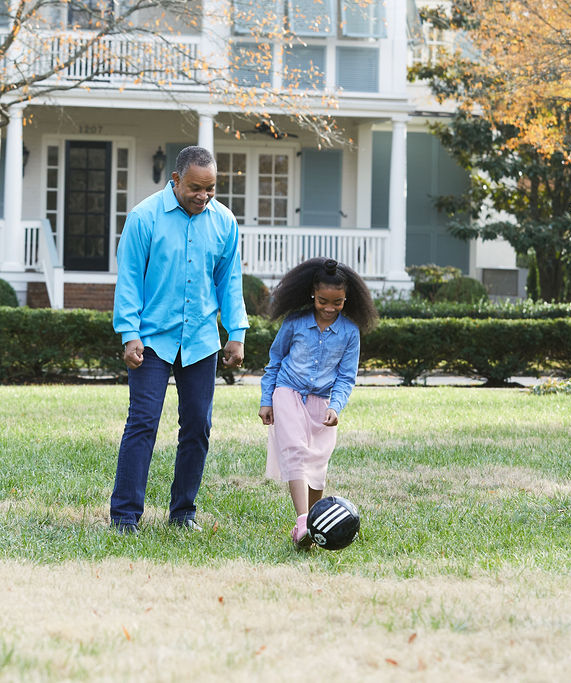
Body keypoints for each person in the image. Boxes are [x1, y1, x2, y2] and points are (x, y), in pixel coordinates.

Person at [110, 145, 249, 534]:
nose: (203, 196)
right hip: (152, 339)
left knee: (198, 427)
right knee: (143, 423)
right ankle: (124, 516)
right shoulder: (143, 218)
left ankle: (183, 513)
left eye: (211, 189)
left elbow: (229, 281)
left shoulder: (224, 222)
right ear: (175, 180)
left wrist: (235, 333)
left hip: (202, 340)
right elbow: (129, 280)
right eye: (195, 188)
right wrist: (129, 333)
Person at [258, 257, 378, 550]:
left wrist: (335, 407)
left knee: (317, 463)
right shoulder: (295, 323)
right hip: (287, 393)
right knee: (296, 453)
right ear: (312, 293)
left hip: (322, 402)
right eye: (323, 300)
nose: (328, 307)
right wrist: (266, 400)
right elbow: (274, 361)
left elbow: (346, 377)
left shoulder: (350, 332)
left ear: (347, 299)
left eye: (337, 302)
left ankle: (315, 523)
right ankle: (302, 522)